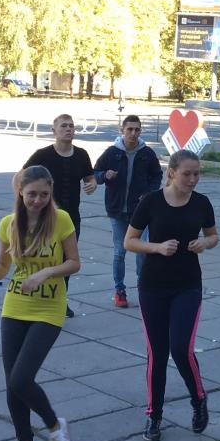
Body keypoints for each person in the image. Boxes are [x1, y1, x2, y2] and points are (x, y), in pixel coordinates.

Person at [0, 166, 79, 441]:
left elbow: (74, 263)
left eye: (44, 195)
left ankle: (54, 426)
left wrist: (46, 272)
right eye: (32, 194)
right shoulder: (8, 224)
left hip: (49, 308)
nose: (37, 200)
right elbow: (3, 265)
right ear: (20, 192)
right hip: (15, 306)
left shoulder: (61, 220)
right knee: (12, 385)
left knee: (21, 378)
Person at [125, 150, 218, 441]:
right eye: (187, 174)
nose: (193, 179)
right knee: (157, 352)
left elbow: (213, 236)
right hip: (152, 286)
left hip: (187, 285)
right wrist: (156, 247)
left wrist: (205, 243)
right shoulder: (151, 201)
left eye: (196, 174)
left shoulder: (202, 202)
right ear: (171, 173)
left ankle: (198, 398)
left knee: (180, 348)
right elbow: (130, 241)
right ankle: (154, 415)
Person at [24, 113, 96, 316]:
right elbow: (21, 177)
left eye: (71, 126)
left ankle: (60, 301)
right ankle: (37, 299)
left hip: (71, 219)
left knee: (68, 262)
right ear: (54, 130)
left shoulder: (81, 154)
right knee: (43, 259)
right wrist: (27, 202)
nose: (69, 129)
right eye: (64, 126)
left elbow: (90, 177)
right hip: (44, 219)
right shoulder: (42, 155)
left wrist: (92, 184)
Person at [94, 115, 163, 309]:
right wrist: (104, 175)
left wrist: (149, 193)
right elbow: (96, 172)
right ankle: (119, 290)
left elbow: (157, 175)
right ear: (122, 130)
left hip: (140, 211)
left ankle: (143, 285)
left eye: (137, 129)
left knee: (142, 250)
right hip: (117, 210)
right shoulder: (112, 152)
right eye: (130, 129)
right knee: (119, 252)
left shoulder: (147, 153)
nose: (133, 133)